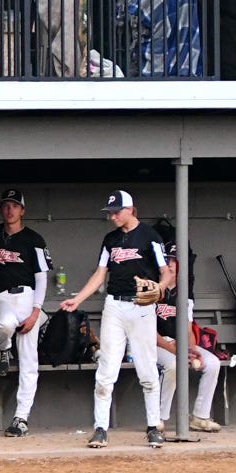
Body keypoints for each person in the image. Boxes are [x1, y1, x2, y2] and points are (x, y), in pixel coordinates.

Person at [59, 190, 175, 449]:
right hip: (114, 304)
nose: (112, 216)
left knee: (147, 369)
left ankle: (153, 427)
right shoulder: (110, 239)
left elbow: (166, 272)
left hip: (141, 306)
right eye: (110, 212)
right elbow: (100, 274)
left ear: (130, 209)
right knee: (106, 370)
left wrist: (159, 288)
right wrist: (78, 300)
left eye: (116, 211)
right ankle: (100, 428)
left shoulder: (149, 236)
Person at [0, 189, 50, 436]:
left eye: (15, 206)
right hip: (0, 296)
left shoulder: (34, 239)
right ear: (0, 209)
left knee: (30, 362)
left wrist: (35, 312)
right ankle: (4, 349)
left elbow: (42, 278)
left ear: (22, 210)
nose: (10, 210)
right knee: (5, 324)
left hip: (28, 297)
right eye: (6, 205)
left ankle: (21, 418)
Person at [149, 229, 222, 433]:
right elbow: (147, 333)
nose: (171, 264)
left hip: (178, 343)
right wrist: (176, 351)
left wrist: (190, 350)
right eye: (168, 260)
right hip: (156, 343)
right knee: (173, 365)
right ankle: (159, 418)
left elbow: (188, 329)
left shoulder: (185, 293)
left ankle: (199, 416)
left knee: (213, 363)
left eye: (175, 260)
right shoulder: (153, 290)